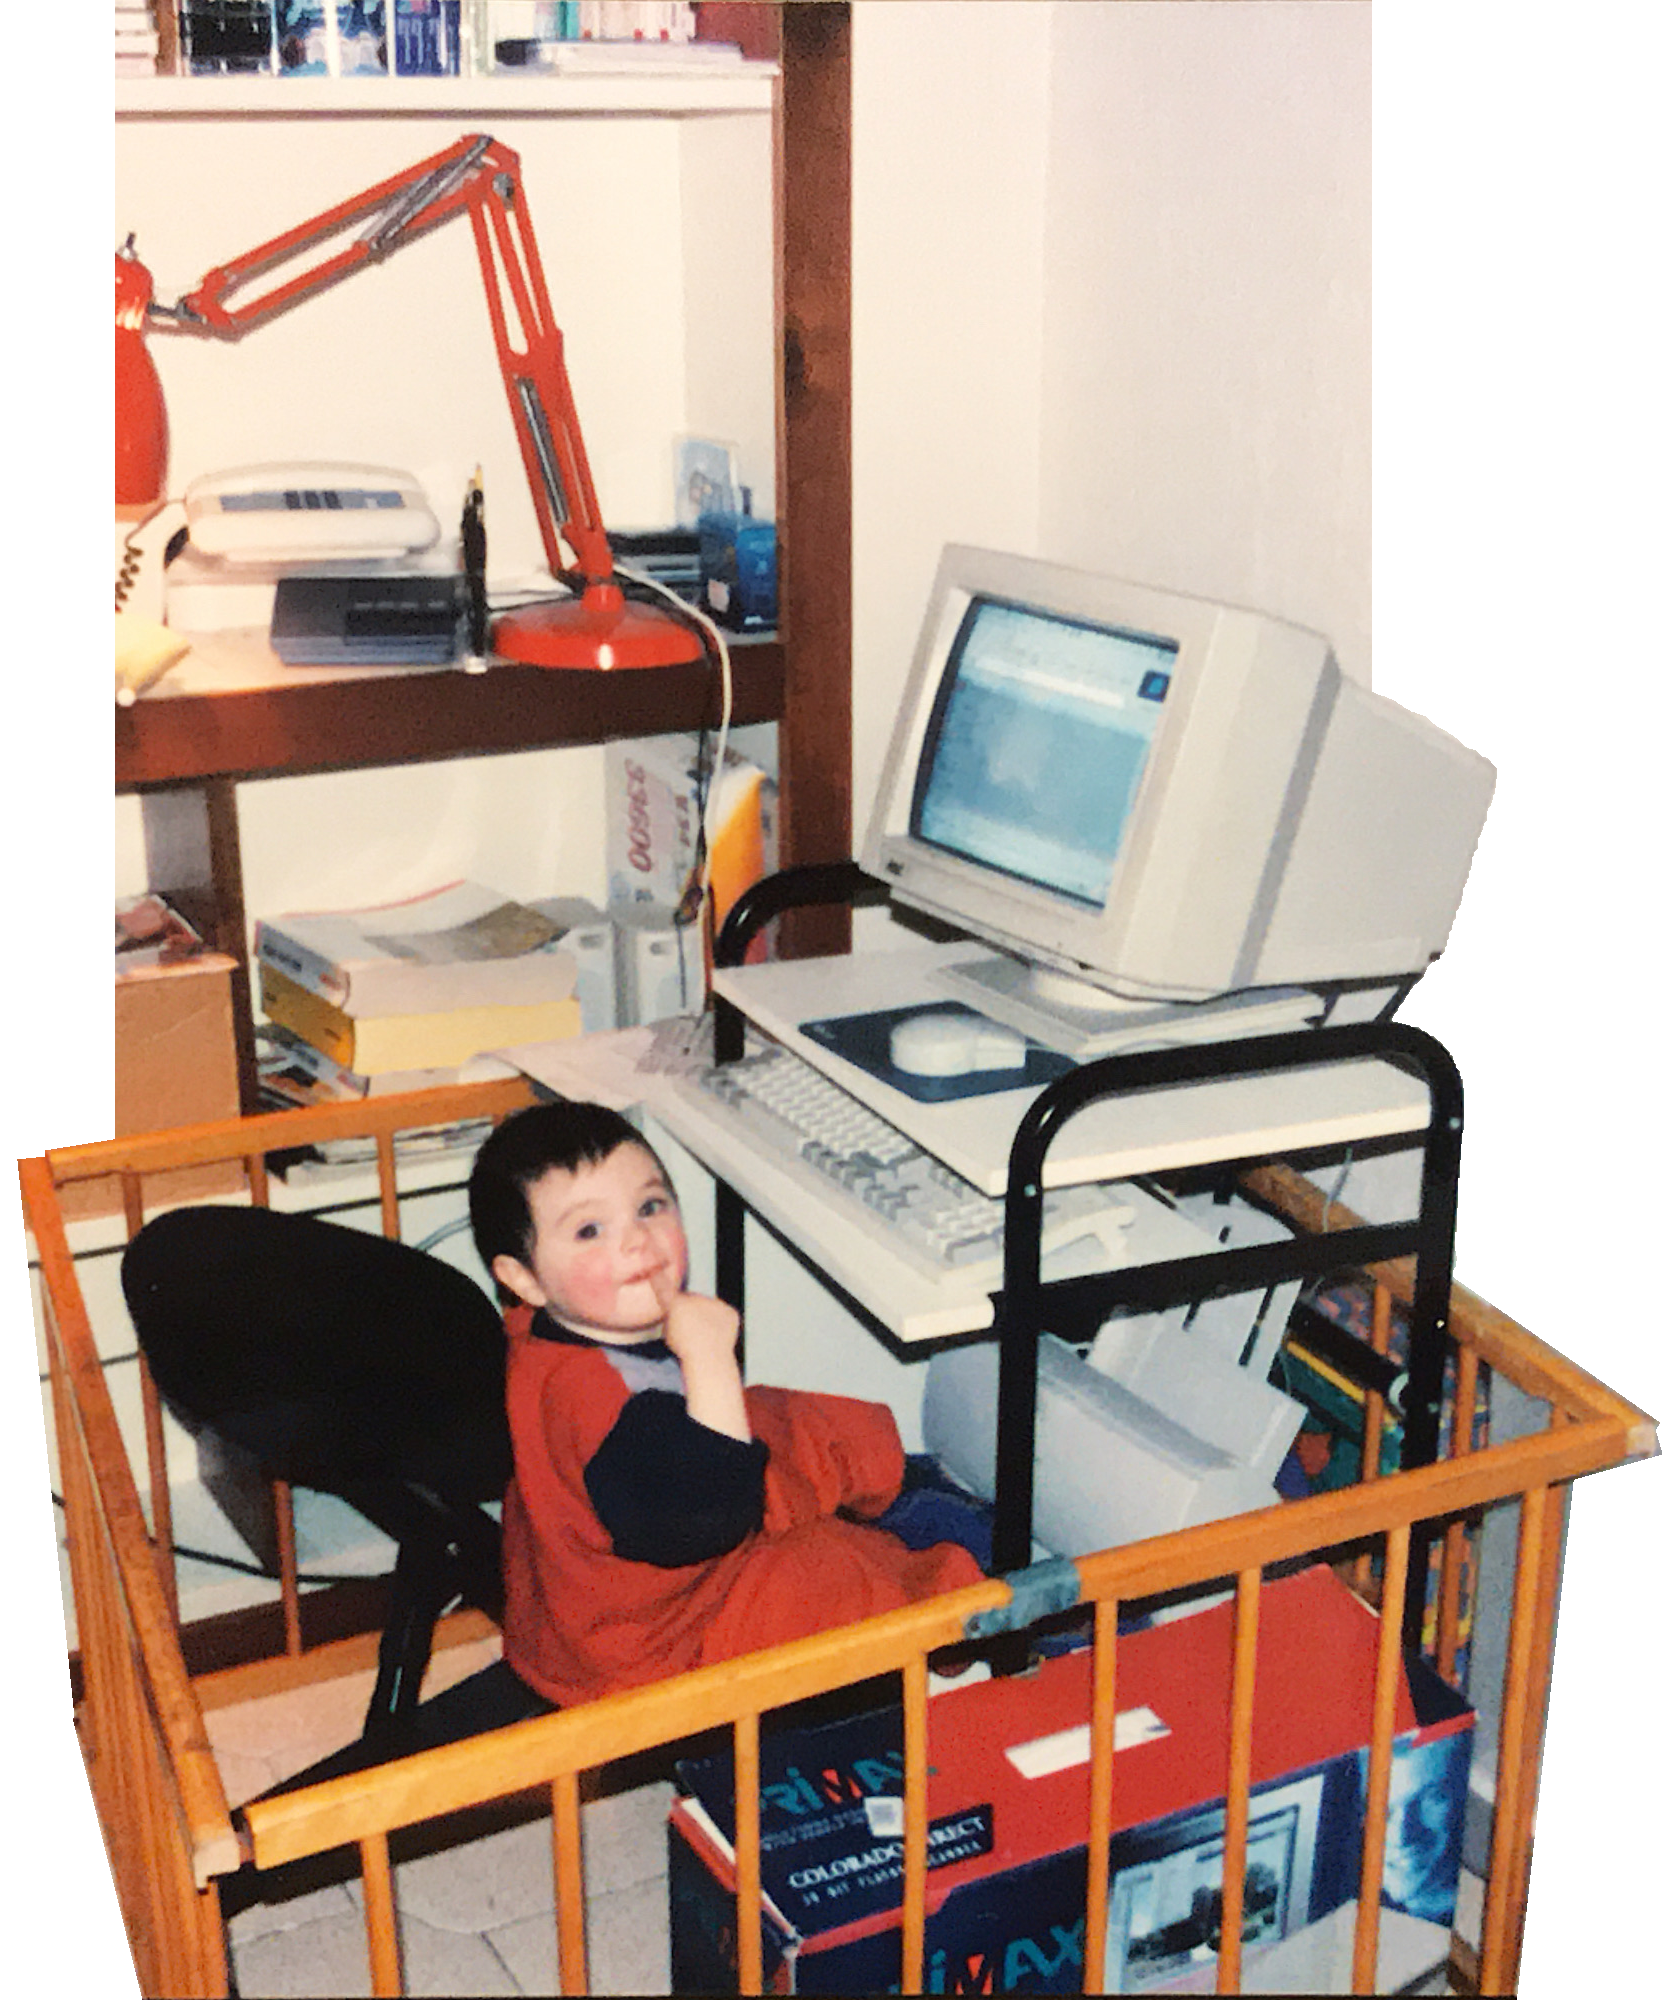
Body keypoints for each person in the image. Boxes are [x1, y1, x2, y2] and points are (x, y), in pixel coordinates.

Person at [468, 1100, 987, 1708]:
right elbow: (712, 1517)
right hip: (656, 1643)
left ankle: (898, 1479)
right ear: (524, 1280)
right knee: (838, 1575)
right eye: (590, 1231)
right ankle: (970, 1608)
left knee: (780, 1417)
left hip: (602, 1591)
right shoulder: (591, 1405)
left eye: (650, 1206)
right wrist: (710, 1358)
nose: (637, 1240)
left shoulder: (554, 1330)